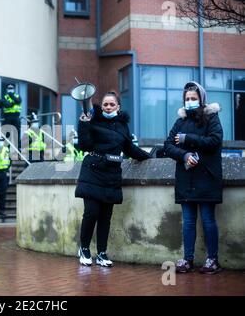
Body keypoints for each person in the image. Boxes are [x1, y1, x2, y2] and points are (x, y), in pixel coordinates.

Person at [75, 91, 151, 267]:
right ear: (101, 106)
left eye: (111, 104)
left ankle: (102, 253)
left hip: (111, 174)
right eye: (105, 104)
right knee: (91, 212)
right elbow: (84, 145)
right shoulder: (92, 118)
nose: (108, 107)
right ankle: (84, 248)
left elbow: (130, 148)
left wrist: (148, 157)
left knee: (105, 216)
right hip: (93, 170)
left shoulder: (123, 126)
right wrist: (83, 124)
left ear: (118, 106)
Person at [164, 81, 223, 274]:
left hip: (207, 177)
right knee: (188, 221)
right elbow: (168, 145)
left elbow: (215, 141)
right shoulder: (180, 121)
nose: (190, 101)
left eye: (194, 98)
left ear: (201, 99)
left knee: (207, 219)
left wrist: (187, 139)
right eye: (187, 99)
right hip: (186, 178)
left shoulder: (211, 117)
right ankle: (188, 259)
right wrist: (184, 155)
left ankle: (212, 259)